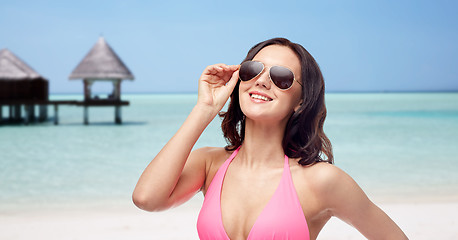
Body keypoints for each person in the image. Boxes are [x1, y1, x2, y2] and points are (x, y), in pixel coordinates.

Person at [133, 37, 408, 240]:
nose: (262, 81)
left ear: (300, 102)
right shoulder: (210, 165)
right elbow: (147, 199)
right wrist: (204, 109)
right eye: (252, 70)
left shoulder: (321, 180)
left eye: (281, 77)